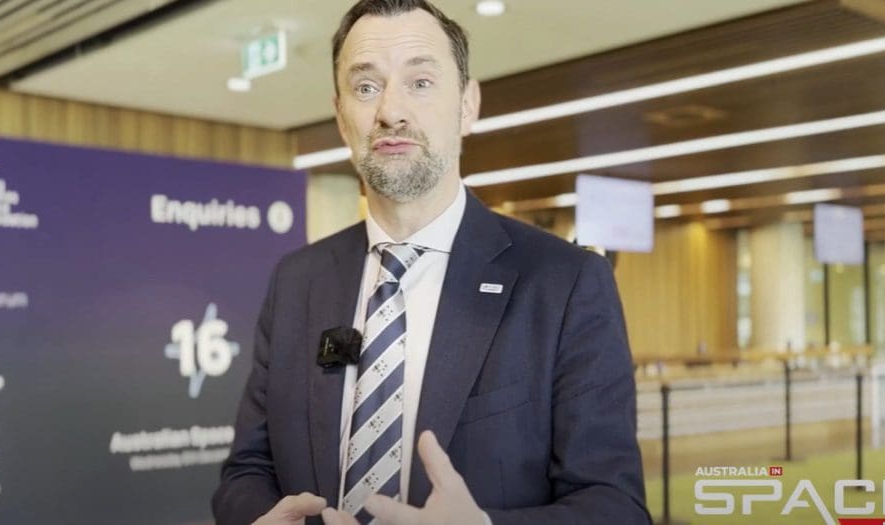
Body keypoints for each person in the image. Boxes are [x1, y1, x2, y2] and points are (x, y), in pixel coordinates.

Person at [212, 1, 650, 524]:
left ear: (468, 105)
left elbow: (615, 506)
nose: (390, 111)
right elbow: (246, 472)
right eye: (366, 87)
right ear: (340, 117)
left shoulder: (565, 284)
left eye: (420, 82)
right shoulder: (297, 280)